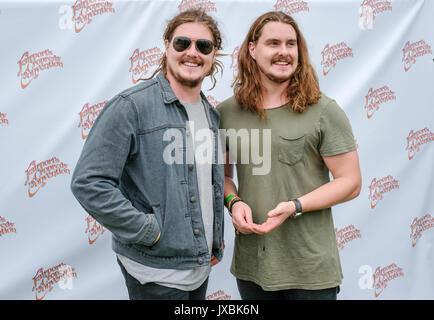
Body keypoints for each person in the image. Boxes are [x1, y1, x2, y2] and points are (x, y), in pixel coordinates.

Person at [70, 9, 225, 300]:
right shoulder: (131, 106)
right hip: (155, 274)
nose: (192, 52)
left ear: (213, 54)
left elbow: (206, 186)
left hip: (199, 270)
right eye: (183, 43)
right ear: (167, 45)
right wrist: (147, 231)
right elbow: (88, 183)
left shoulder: (211, 115)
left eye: (203, 46)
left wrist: (212, 241)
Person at [216, 11, 362, 300]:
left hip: (310, 271)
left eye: (291, 44)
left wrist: (295, 206)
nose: (284, 52)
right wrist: (233, 202)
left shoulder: (324, 110)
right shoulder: (226, 112)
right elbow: (220, 177)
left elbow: (351, 182)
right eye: (273, 43)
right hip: (252, 268)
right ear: (252, 50)